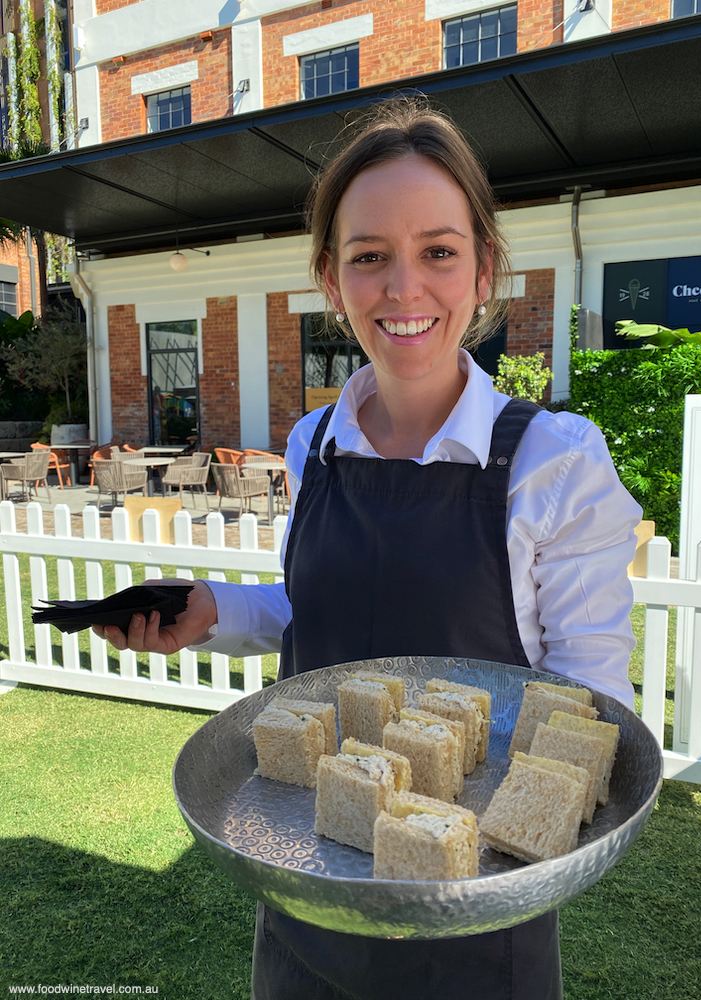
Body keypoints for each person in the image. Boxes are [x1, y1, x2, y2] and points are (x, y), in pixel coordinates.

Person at [94, 99, 642, 999]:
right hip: (312, 876)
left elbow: (594, 711)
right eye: (368, 257)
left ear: (484, 268)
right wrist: (213, 612)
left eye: (438, 251)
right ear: (329, 277)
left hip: (477, 909)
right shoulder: (316, 442)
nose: (403, 288)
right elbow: (326, 615)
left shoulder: (557, 463)